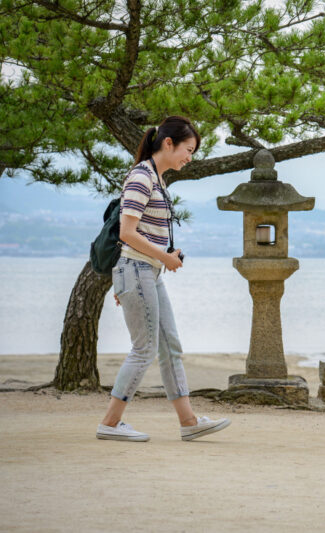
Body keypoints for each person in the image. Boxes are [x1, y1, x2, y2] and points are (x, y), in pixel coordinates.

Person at [96, 116, 230, 442]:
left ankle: (189, 422)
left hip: (146, 274)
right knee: (144, 349)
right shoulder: (142, 177)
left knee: (170, 347)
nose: (190, 157)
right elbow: (127, 234)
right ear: (168, 143)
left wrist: (167, 253)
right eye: (188, 149)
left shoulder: (157, 179)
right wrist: (163, 257)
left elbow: (142, 231)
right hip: (137, 271)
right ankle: (110, 424)